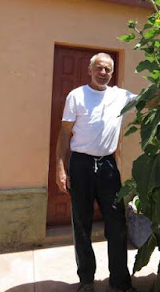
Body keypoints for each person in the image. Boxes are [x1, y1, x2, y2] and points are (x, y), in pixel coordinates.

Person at [56, 52, 138, 292]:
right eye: (99, 68)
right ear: (90, 70)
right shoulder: (76, 96)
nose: (103, 73)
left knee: (117, 223)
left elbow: (150, 102)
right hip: (80, 165)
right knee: (81, 223)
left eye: (108, 70)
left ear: (112, 73)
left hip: (107, 166)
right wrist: (60, 169)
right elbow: (63, 134)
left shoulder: (121, 96)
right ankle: (86, 280)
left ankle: (120, 282)